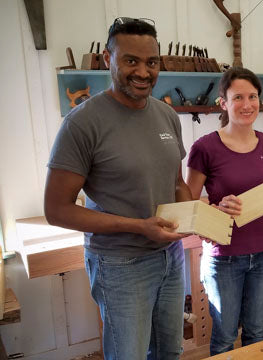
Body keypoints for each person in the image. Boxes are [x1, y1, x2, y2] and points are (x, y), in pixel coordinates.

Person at [44, 17, 189, 359]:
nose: (143, 71)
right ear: (109, 60)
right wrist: (139, 227)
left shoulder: (166, 115)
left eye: (151, 62)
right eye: (131, 61)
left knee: (171, 352)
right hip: (120, 264)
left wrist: (200, 218)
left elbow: (177, 184)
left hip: (170, 258)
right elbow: (57, 209)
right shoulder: (81, 124)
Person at [186, 67, 263, 355]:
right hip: (224, 258)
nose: (247, 105)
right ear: (223, 102)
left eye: (253, 97)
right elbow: (189, 206)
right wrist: (217, 207)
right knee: (224, 336)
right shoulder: (205, 148)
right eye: (238, 98)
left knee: (257, 330)